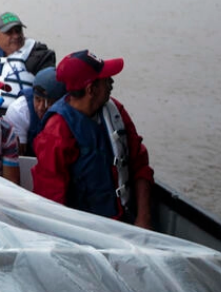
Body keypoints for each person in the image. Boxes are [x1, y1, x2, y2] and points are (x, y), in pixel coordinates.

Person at [31, 50, 154, 228]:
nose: (111, 82)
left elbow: (140, 164)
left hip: (127, 223)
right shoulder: (56, 131)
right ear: (91, 89)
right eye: (106, 79)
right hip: (87, 231)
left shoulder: (116, 111)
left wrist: (144, 218)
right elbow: (51, 199)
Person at [0, 12, 55, 111]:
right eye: (9, 32)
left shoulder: (39, 55)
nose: (16, 36)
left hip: (26, 118)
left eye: (18, 31)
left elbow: (50, 90)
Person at [4, 67, 65, 156]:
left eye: (49, 102)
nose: (41, 107)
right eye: (37, 99)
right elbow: (19, 160)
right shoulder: (19, 110)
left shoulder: (70, 111)